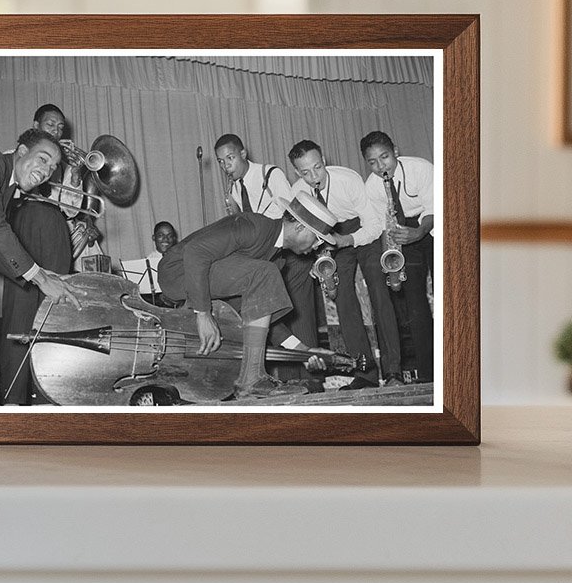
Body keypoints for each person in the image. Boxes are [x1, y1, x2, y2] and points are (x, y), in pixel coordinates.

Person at [156, 197, 338, 399]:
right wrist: (203, 315)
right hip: (177, 272)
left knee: (265, 275)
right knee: (264, 274)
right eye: (318, 238)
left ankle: (252, 378)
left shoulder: (274, 257)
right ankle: (251, 379)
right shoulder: (253, 227)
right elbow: (195, 251)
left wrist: (303, 350)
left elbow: (256, 315)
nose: (317, 246)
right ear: (300, 228)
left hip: (199, 276)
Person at [0, 128, 81, 405]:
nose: (47, 172)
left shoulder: (7, 193)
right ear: (21, 151)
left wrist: (40, 274)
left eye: (53, 167)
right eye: (43, 160)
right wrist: (40, 278)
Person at [288, 139, 403, 388]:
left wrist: (345, 240)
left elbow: (373, 225)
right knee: (344, 302)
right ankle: (365, 374)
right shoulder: (298, 191)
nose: (313, 176)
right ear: (297, 172)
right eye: (305, 172)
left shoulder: (347, 180)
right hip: (331, 238)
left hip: (362, 232)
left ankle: (394, 373)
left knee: (379, 294)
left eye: (317, 167)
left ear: (324, 161)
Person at [215, 132, 318, 375]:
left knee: (298, 317)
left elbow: (290, 215)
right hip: (268, 259)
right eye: (221, 162)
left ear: (243, 154)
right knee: (273, 316)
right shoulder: (235, 187)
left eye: (230, 158)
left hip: (290, 254)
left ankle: (314, 379)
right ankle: (293, 378)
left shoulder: (270, 174)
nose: (226, 166)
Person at [360, 130, 435, 382]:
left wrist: (420, 232)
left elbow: (435, 207)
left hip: (433, 226)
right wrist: (392, 262)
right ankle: (428, 377)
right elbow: (385, 224)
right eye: (373, 162)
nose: (381, 166)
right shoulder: (372, 187)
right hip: (403, 233)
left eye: (385, 157)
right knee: (416, 306)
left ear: (396, 151)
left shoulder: (421, 169)